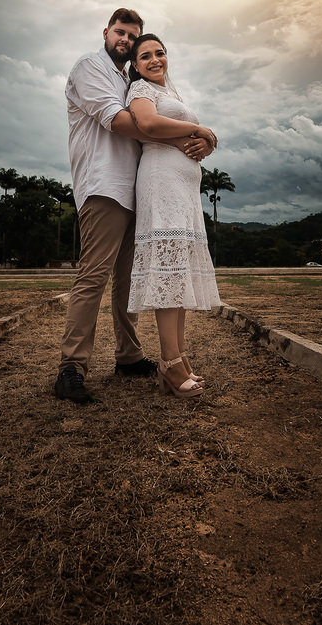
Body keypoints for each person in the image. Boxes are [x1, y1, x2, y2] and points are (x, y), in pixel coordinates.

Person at [55, 9, 213, 405]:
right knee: (95, 275)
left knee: (129, 279)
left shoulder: (128, 79)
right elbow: (124, 122)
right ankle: (71, 367)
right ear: (106, 33)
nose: (126, 40)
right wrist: (190, 137)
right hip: (105, 184)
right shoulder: (90, 67)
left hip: (137, 190)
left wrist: (199, 142)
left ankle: (128, 355)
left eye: (133, 35)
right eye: (121, 33)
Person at [124, 33, 222, 398]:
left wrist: (205, 144)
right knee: (168, 274)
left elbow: (185, 138)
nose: (154, 60)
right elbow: (148, 126)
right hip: (161, 185)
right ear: (135, 65)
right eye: (145, 56)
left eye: (159, 53)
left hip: (183, 191)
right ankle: (169, 362)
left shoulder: (174, 94)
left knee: (178, 273)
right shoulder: (140, 92)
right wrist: (200, 129)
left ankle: (178, 355)